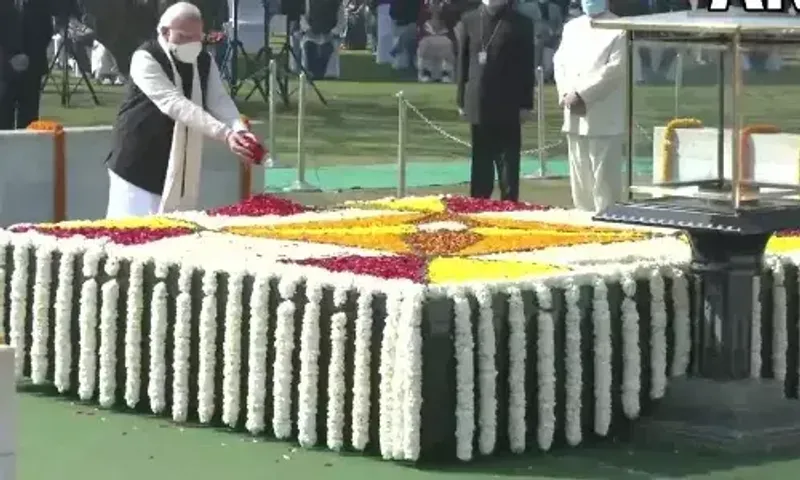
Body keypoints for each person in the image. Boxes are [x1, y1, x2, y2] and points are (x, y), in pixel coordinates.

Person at [105, 2, 263, 218]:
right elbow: (174, 103)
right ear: (164, 32)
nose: (192, 44)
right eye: (184, 37)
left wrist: (239, 130)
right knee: (131, 233)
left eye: (197, 38)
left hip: (178, 162)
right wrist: (225, 134)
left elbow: (219, 100)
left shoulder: (204, 61)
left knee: (175, 233)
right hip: (137, 159)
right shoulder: (145, 58)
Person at [455, 0, 535, 202]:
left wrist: (526, 104)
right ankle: (479, 203)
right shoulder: (469, 19)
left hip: (509, 100)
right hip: (478, 98)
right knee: (481, 157)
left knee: (508, 158)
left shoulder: (521, 23)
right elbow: (462, 63)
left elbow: (527, 66)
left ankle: (509, 204)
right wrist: (461, 99)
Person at [553, 0, 625, 212]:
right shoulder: (571, 28)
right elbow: (560, 63)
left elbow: (615, 70)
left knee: (604, 181)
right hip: (573, 115)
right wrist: (566, 93)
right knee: (580, 179)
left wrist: (583, 95)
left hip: (603, 116)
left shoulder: (620, 28)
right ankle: (584, 221)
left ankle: (610, 223)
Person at [0, 0, 58, 130]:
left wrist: (28, 58)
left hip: (31, 69)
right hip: (4, 70)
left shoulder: (39, 4)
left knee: (29, 122)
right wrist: (9, 59)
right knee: (2, 121)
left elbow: (46, 32)